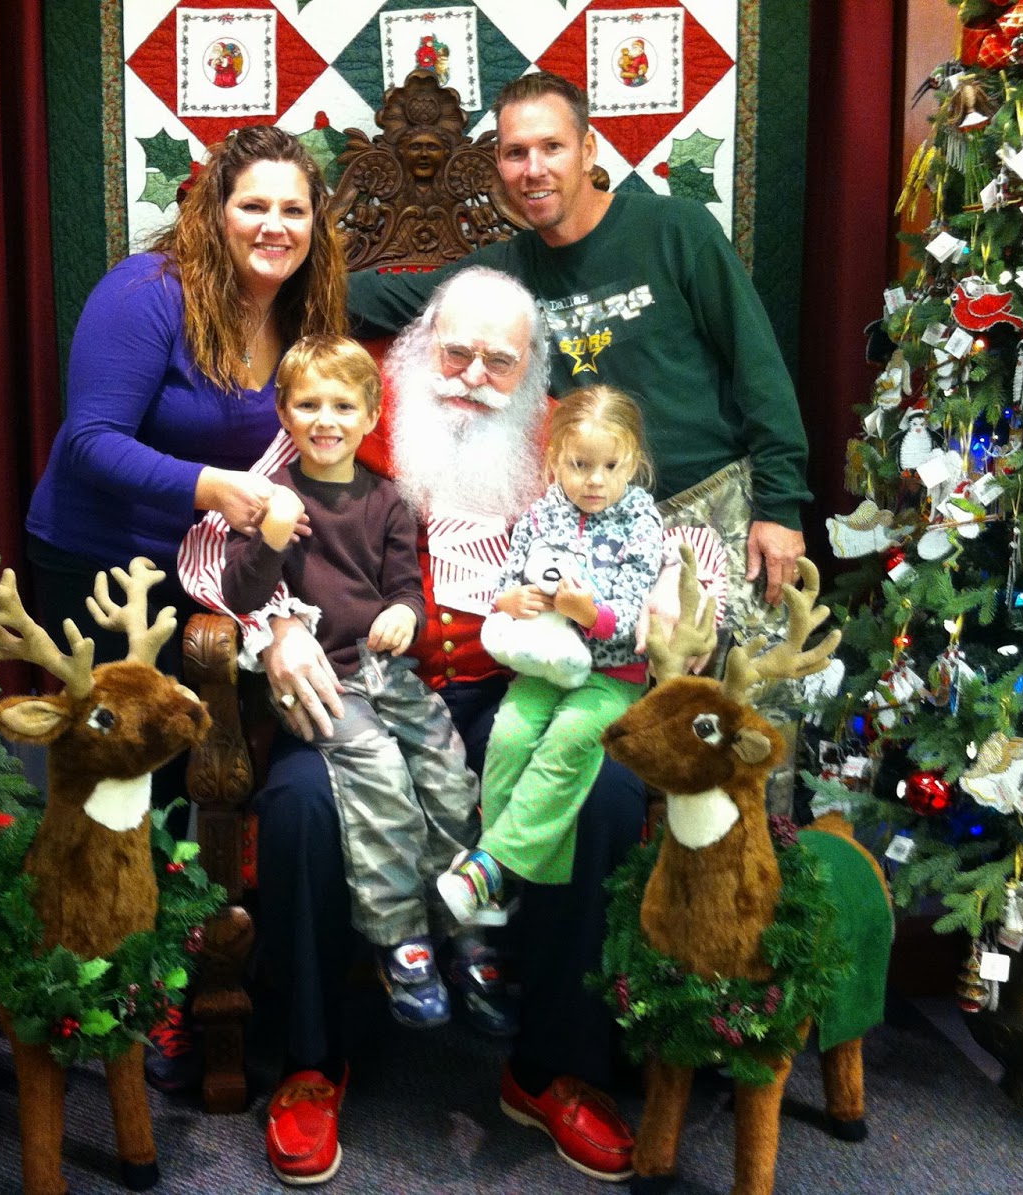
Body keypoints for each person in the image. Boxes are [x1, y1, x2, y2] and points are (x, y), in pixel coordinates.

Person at [181, 266, 726, 1186]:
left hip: (504, 696)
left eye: (499, 361)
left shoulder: (559, 438)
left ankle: (549, 1069)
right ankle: (312, 1063)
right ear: (418, 344)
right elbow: (212, 543)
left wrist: (675, 597)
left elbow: (665, 535)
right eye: (456, 352)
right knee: (303, 805)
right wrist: (273, 627)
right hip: (356, 689)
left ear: (532, 368)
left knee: (602, 792)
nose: (473, 375)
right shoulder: (349, 409)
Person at [24, 123, 346, 1089]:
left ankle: (193, 963)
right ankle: (124, 993)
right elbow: (90, 439)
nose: (274, 225)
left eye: (294, 209)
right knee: (123, 784)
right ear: (214, 207)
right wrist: (213, 486)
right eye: (254, 205)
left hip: (208, 570)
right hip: (98, 563)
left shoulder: (306, 305)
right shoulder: (147, 292)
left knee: (195, 776)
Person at [349, 70, 809, 625]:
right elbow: (382, 299)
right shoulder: (504, 273)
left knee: (751, 678)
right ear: (499, 164)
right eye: (516, 152)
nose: (533, 169)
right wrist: (276, 269)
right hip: (595, 529)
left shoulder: (677, 229)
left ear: (588, 150)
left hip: (715, 504)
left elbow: (760, 372)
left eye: (552, 147)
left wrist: (780, 507)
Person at [220, 334, 500, 1033]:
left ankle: (465, 925)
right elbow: (240, 592)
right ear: (284, 413)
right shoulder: (271, 499)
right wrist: (273, 536)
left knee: (446, 770)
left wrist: (405, 613)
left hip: (388, 672)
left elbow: (404, 587)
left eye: (343, 406)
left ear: (371, 416)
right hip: (324, 682)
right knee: (380, 774)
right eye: (308, 405)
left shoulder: (387, 500)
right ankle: (400, 940)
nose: (326, 420)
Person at [439, 385, 663, 924]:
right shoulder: (541, 515)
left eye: (610, 466)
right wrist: (510, 600)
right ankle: (505, 882)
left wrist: (588, 613)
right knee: (509, 735)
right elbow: (507, 582)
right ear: (556, 459)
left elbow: (634, 616)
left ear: (633, 460)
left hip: (612, 675)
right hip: (542, 664)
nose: (595, 480)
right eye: (580, 465)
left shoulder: (641, 520)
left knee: (568, 740)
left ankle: (490, 867)